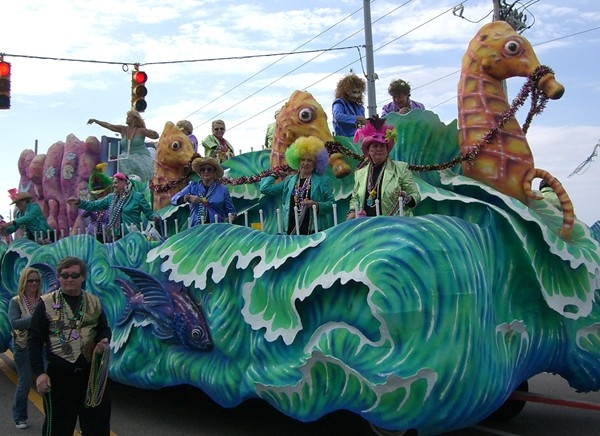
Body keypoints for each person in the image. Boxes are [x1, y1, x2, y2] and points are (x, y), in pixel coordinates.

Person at [28, 256, 111, 436]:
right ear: (58, 277)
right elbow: (34, 340)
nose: (69, 279)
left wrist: (103, 341)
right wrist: (39, 373)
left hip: (91, 375)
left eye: (74, 275)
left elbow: (104, 329)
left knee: (96, 426)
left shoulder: (94, 302)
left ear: (83, 277)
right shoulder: (46, 303)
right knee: (58, 428)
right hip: (59, 377)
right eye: (64, 275)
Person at [347, 117, 421, 219]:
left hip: (395, 226)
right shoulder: (360, 173)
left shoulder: (401, 168)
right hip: (367, 226)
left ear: (387, 150)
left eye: (382, 146)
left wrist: (407, 198)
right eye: (375, 146)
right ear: (368, 150)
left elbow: (415, 195)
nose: (379, 149)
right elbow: (355, 198)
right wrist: (352, 211)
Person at [260, 136, 335, 234]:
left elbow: (332, 204)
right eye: (302, 159)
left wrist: (316, 205)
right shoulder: (289, 181)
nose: (305, 163)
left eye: (309, 160)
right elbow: (265, 189)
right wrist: (275, 174)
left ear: (316, 163)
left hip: (314, 230)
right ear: (297, 161)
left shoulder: (323, 180)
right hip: (292, 232)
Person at [68, 173, 161, 242]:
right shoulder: (110, 198)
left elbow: (149, 213)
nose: (113, 185)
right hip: (116, 237)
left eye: (116, 183)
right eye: (113, 183)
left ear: (125, 182)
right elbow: (94, 205)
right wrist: (79, 202)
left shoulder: (137, 197)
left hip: (133, 235)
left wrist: (155, 216)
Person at [9, 266, 42, 429]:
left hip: (43, 346)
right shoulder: (16, 301)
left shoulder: (44, 299)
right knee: (26, 381)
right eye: (30, 280)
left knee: (49, 380)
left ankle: (54, 414)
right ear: (24, 281)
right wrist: (34, 319)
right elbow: (14, 322)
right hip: (23, 347)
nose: (34, 283)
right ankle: (19, 417)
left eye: (37, 280)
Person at [87, 110, 159, 183]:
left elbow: (155, 136)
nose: (126, 118)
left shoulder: (141, 130)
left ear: (134, 119)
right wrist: (96, 121)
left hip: (141, 156)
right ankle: (123, 183)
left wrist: (153, 133)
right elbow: (109, 125)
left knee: (130, 162)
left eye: (129, 116)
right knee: (120, 160)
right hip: (126, 156)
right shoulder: (123, 129)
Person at [171, 157, 236, 225]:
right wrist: (187, 198)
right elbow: (173, 200)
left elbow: (231, 211)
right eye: (202, 169)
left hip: (216, 230)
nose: (206, 171)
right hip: (196, 230)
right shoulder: (192, 187)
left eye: (209, 169)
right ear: (200, 173)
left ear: (214, 172)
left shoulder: (223, 190)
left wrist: (232, 216)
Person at [80, 163, 113, 242]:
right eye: (96, 194)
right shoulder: (91, 203)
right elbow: (83, 214)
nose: (99, 195)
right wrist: (91, 204)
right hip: (92, 234)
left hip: (107, 235)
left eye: (101, 193)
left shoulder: (111, 202)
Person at [332, 72, 367, 137]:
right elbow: (338, 117)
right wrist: (356, 119)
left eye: (359, 92)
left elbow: (361, 127)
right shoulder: (339, 103)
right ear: (346, 91)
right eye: (354, 92)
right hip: (343, 142)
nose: (356, 96)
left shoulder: (360, 108)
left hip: (358, 142)